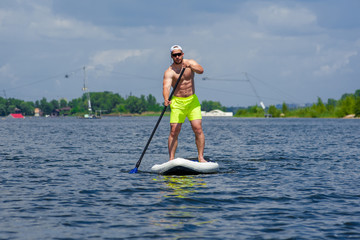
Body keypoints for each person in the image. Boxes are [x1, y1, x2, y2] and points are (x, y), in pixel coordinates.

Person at [163, 45, 207, 162]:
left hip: (192, 101)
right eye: (174, 55)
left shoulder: (190, 63)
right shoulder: (169, 71)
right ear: (171, 56)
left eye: (179, 54)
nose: (177, 57)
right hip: (177, 102)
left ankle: (200, 157)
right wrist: (166, 98)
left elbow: (201, 71)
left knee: (198, 129)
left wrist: (191, 66)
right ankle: (171, 159)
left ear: (182, 54)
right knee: (174, 130)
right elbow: (166, 87)